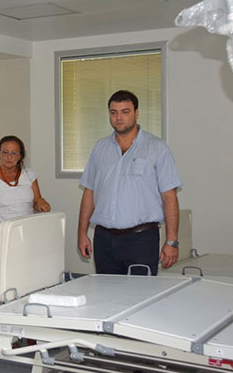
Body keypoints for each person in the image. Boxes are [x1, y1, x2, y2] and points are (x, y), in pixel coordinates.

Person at [77, 90, 181, 276]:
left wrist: (171, 241)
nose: (118, 118)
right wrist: (82, 233)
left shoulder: (156, 148)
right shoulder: (100, 148)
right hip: (104, 240)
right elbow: (89, 192)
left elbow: (169, 196)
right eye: (114, 112)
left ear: (136, 113)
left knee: (140, 292)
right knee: (106, 291)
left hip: (141, 240)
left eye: (125, 112)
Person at [0, 135, 50, 281]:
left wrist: (42, 203)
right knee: (5, 282)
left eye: (14, 153)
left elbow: (36, 201)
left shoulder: (29, 175)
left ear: (20, 156)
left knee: (27, 280)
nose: (9, 157)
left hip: (26, 235)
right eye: (5, 152)